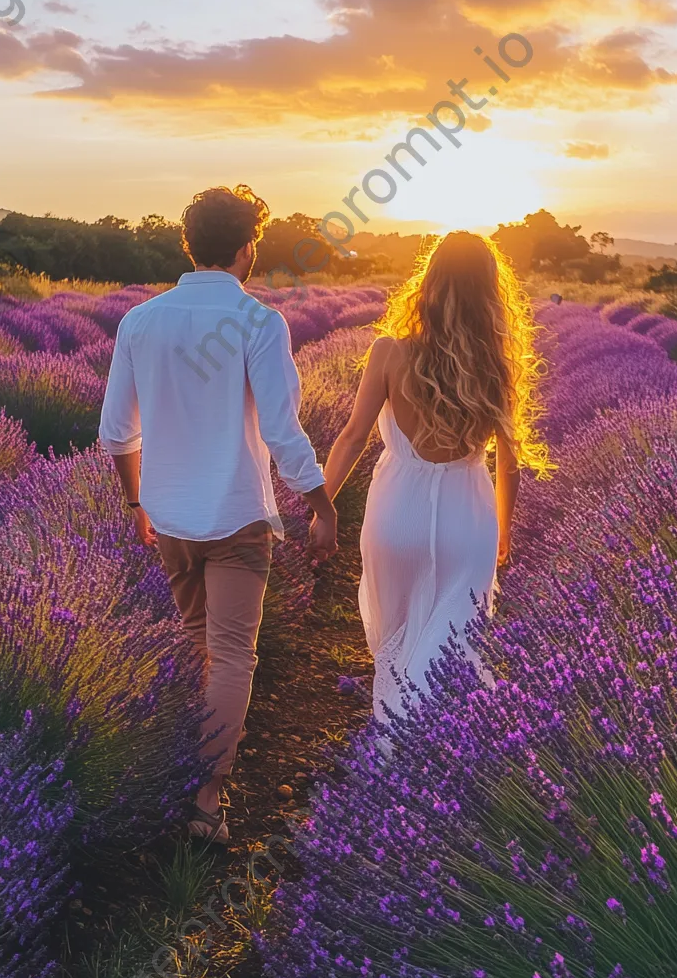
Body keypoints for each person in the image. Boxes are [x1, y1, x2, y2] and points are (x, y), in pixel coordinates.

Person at [99, 185, 338, 844]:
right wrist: (321, 504)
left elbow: (118, 433)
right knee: (232, 657)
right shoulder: (258, 321)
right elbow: (285, 434)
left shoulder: (140, 322)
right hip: (235, 517)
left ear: (189, 246)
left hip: (170, 517)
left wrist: (137, 503)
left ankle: (181, 772)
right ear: (245, 249)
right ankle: (207, 799)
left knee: (195, 645)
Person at [320, 231, 550, 722]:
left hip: (395, 513)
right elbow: (508, 462)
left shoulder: (388, 352)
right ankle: (440, 759)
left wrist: (322, 506)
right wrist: (505, 528)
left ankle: (394, 747)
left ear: (429, 283)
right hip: (467, 518)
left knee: (396, 637)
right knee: (455, 646)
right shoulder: (495, 364)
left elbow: (351, 436)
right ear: (490, 292)